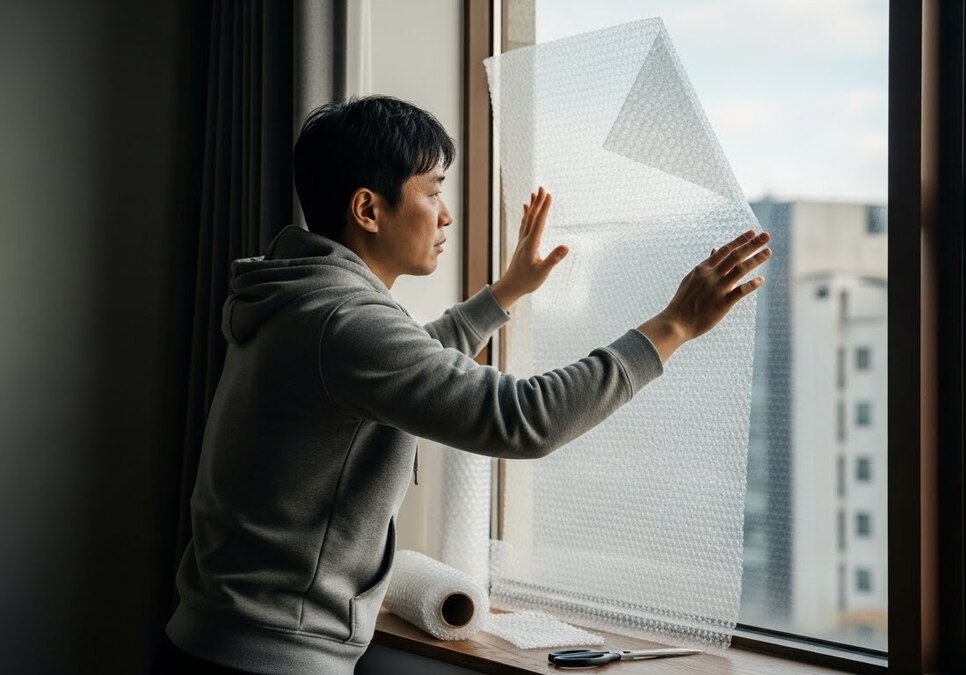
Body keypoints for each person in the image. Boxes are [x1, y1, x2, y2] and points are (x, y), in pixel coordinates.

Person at [162, 95, 770, 674]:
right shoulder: (343, 322)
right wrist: (675, 324)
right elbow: (523, 418)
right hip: (268, 657)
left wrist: (506, 293)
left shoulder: (300, 302)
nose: (447, 213)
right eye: (433, 192)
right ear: (369, 210)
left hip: (219, 638)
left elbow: (405, 366)